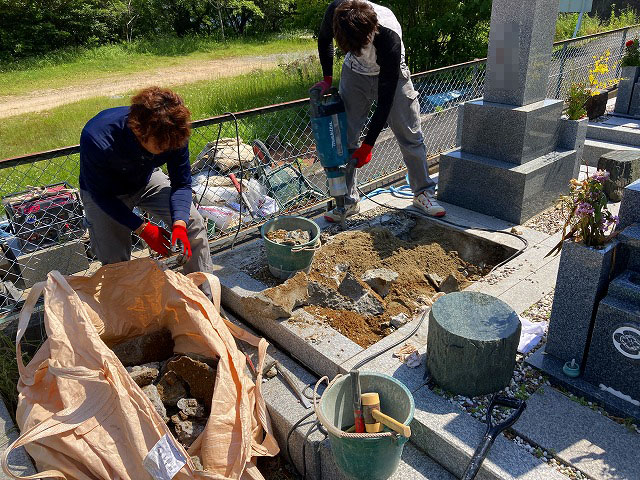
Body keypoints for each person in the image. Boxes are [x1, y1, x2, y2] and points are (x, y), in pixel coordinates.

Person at [313, 0, 446, 222]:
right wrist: (327, 78)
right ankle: (347, 201)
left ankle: (423, 192)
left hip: (392, 72)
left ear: (370, 32)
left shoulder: (388, 37)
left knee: (410, 134)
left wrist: (368, 146)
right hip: (354, 74)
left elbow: (384, 103)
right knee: (345, 136)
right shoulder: (338, 12)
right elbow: (324, 38)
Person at [79, 86, 213, 280]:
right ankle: (127, 305)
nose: (167, 149)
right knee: (114, 258)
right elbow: (100, 195)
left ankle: (203, 298)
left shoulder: (173, 133)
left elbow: (181, 184)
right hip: (105, 192)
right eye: (160, 146)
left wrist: (180, 224)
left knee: (193, 223)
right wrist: (144, 229)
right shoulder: (98, 137)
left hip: (145, 178)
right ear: (138, 129)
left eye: (171, 146)